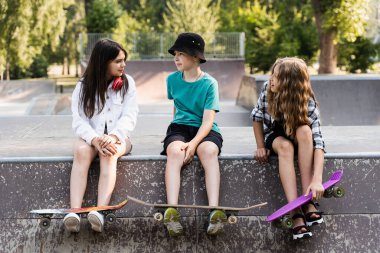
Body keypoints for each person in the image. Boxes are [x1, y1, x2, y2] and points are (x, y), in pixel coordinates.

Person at [63, 39, 138, 233]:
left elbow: (130, 117)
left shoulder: (128, 84)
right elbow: (78, 120)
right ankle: (74, 212)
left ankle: (100, 211)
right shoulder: (83, 86)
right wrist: (95, 139)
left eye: (124, 60)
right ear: (104, 62)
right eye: (118, 61)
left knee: (109, 153)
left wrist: (112, 136)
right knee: (81, 152)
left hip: (119, 138)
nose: (123, 65)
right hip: (91, 138)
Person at [251, 57, 325, 240]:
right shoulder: (268, 90)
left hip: (297, 132)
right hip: (275, 135)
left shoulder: (307, 102)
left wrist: (317, 180)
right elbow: (256, 118)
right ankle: (294, 210)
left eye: (276, 77)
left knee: (306, 131)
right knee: (285, 147)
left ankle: (308, 199)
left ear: (289, 83)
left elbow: (319, 143)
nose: (271, 80)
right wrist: (260, 146)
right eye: (272, 75)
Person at [160, 33, 226, 236]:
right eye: (175, 54)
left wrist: (194, 144)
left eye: (182, 54)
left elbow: (208, 121)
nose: (176, 58)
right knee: (175, 151)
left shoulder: (209, 84)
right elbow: (177, 108)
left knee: (208, 151)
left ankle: (214, 211)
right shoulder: (172, 80)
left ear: (196, 57)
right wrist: (176, 136)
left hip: (205, 129)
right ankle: (172, 211)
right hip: (180, 127)